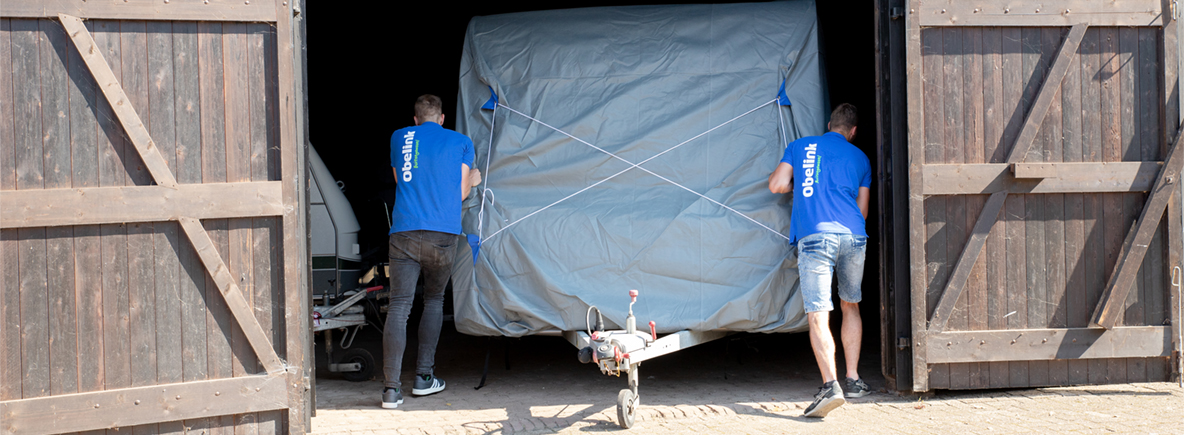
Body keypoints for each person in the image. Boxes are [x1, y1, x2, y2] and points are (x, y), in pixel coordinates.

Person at [767, 103, 871, 418]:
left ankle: (830, 385)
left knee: (818, 312)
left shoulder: (800, 147)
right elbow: (862, 211)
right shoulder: (861, 157)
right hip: (853, 236)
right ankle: (852, 380)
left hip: (816, 237)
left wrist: (804, 186)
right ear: (852, 132)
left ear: (828, 124)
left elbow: (777, 185)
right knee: (850, 304)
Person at [382, 94, 482, 409]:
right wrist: (475, 181)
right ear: (441, 118)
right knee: (434, 300)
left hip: (404, 231)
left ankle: (390, 390)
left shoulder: (400, 137)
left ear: (415, 119)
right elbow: (461, 193)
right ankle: (424, 378)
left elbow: (401, 180)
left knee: (399, 306)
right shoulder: (462, 141)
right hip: (443, 232)